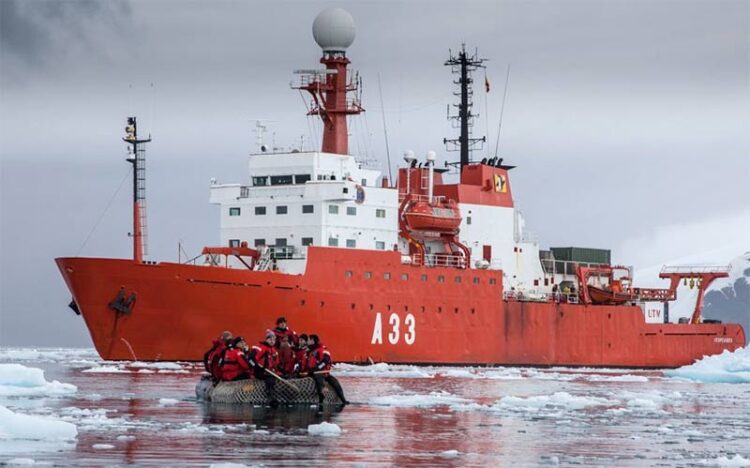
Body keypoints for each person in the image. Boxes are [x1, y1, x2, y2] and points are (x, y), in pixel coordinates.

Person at [307, 334, 348, 406]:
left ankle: (343, 400)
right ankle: (321, 396)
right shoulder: (310, 351)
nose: (307, 342)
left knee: (335, 382)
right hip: (312, 372)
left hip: (321, 372)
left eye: (309, 340)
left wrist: (317, 368)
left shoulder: (323, 350)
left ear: (312, 340)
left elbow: (325, 361)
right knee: (318, 378)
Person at [246, 330, 280, 406]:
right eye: (270, 339)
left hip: (270, 371)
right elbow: (250, 359)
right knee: (270, 378)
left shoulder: (274, 350)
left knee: (274, 376)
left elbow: (276, 363)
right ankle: (270, 395)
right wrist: (256, 366)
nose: (272, 341)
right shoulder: (260, 348)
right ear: (266, 339)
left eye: (274, 340)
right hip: (260, 371)